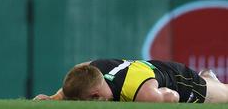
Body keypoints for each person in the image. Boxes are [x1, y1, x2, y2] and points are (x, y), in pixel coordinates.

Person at [35, 59, 228, 103]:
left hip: (180, 81)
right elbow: (78, 72)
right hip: (151, 69)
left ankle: (206, 80)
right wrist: (55, 97)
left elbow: (172, 97)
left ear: (94, 95)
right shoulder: (90, 69)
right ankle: (208, 77)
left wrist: (158, 95)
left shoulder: (144, 94)